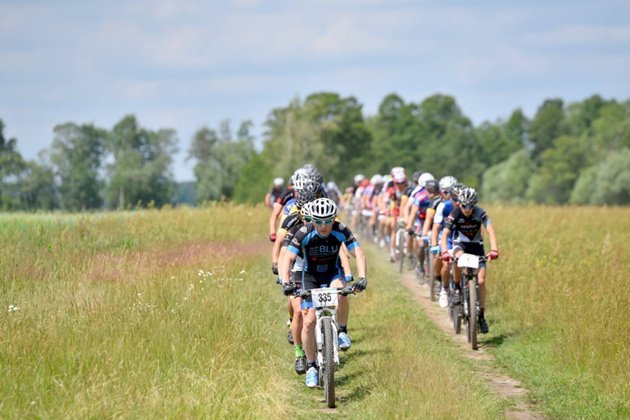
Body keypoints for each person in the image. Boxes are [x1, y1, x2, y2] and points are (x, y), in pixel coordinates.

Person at [280, 197, 367, 388]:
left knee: (342, 292)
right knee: (309, 320)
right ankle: (311, 366)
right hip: (308, 275)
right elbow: (288, 258)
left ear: (334, 218)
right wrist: (286, 283)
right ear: (312, 219)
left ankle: (342, 330)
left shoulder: (341, 230)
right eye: (319, 221)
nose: (324, 225)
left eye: (328, 220)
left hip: (331, 272)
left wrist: (362, 277)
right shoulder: (304, 232)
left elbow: (358, 253)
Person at [440, 187, 499, 333]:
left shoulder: (481, 213)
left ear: (475, 204)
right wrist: (444, 252)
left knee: (481, 281)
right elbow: (445, 233)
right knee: (458, 259)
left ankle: (481, 316)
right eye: (464, 206)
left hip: (476, 246)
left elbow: (490, 230)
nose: (467, 209)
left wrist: (494, 249)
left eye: (470, 206)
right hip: (460, 244)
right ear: (460, 203)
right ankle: (457, 287)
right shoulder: (455, 213)